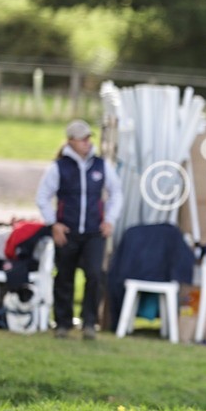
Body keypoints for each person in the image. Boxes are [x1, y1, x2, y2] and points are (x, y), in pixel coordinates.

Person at [35, 119, 122, 340]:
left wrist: (109, 220)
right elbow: (43, 197)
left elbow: (116, 193)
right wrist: (53, 223)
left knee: (95, 274)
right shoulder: (59, 167)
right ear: (71, 141)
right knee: (64, 276)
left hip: (94, 232)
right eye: (82, 139)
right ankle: (63, 322)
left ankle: (89, 322)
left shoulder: (101, 166)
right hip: (68, 231)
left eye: (88, 139)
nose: (86, 143)